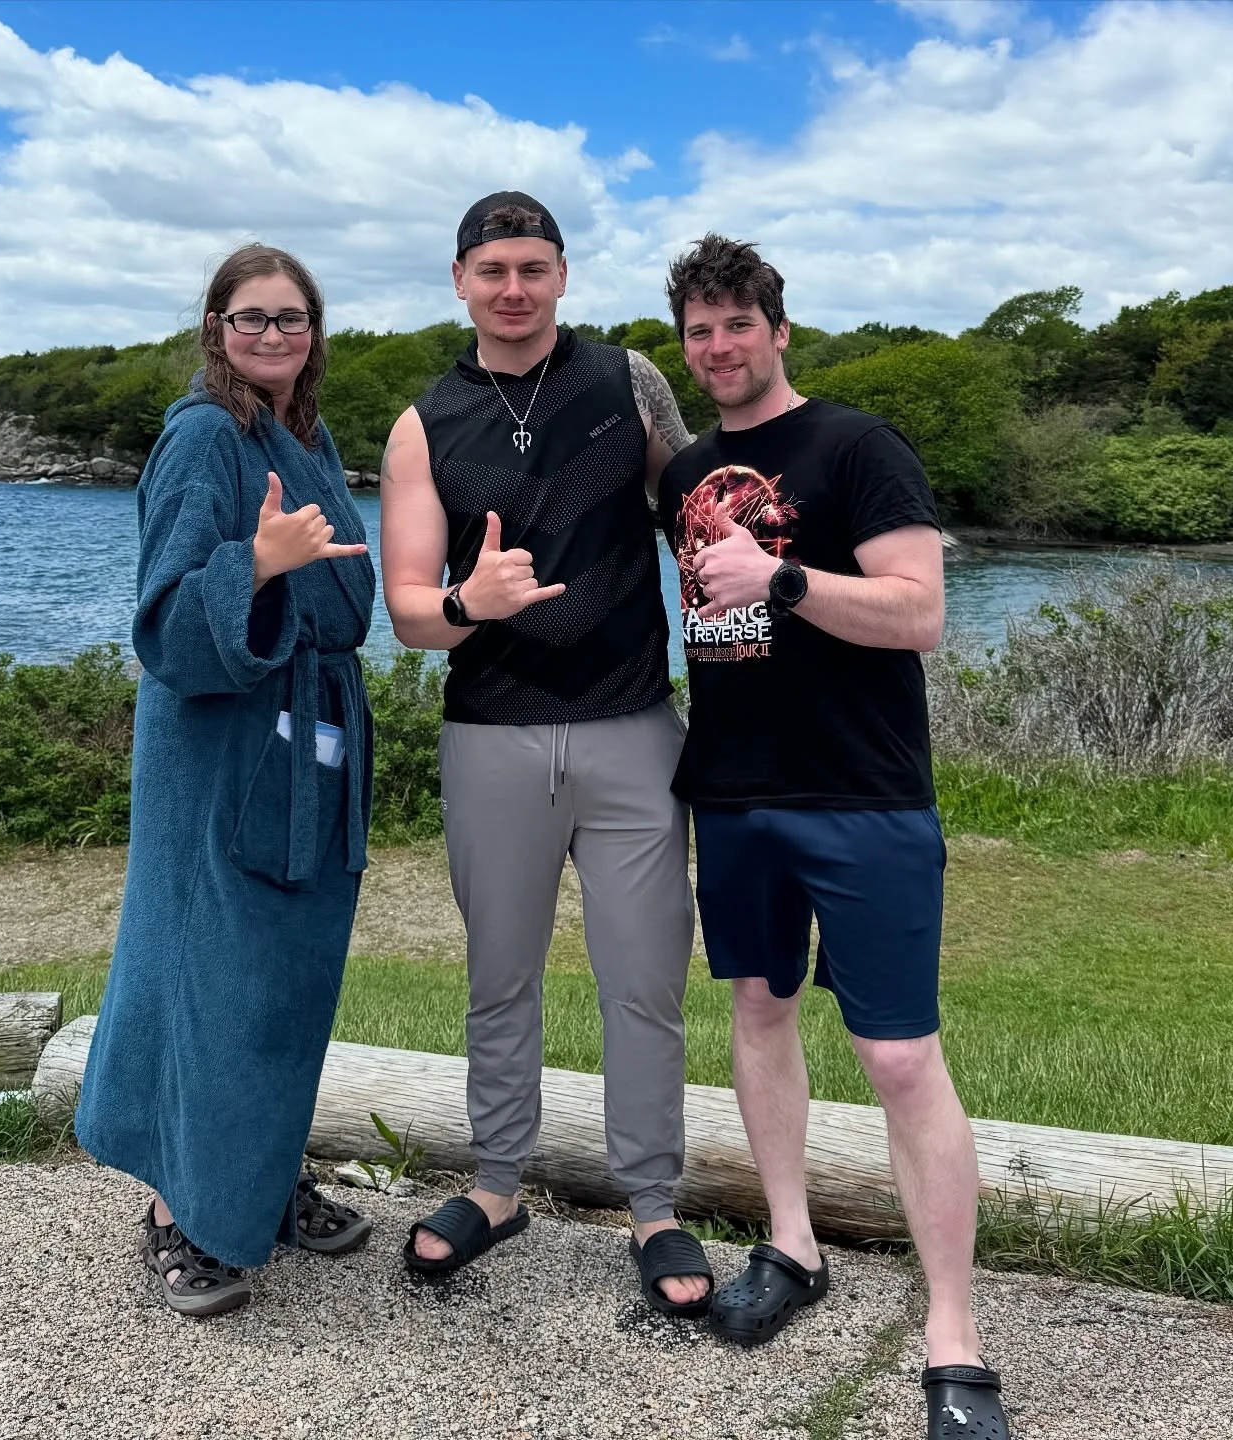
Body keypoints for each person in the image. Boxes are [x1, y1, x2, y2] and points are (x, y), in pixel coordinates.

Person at [655, 235, 1010, 1439]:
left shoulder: (858, 447)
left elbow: (919, 616)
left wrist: (787, 579)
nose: (719, 347)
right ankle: (794, 1248)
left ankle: (952, 1333)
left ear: (777, 326)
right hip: (736, 792)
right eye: (698, 331)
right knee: (758, 1008)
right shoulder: (686, 475)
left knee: (902, 1057)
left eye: (736, 324)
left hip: (863, 795)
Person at [379, 192, 711, 1314]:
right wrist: (471, 600)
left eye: (532, 267)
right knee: (499, 978)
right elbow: (412, 613)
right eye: (491, 270)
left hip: (633, 729)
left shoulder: (630, 382)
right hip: (492, 737)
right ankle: (498, 1182)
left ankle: (654, 1205)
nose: (512, 288)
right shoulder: (424, 423)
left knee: (645, 981)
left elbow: (702, 522)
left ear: (563, 274)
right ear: (460, 281)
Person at [75, 243, 378, 1317]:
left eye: (291, 320)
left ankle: (254, 1177)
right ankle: (175, 1210)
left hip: (303, 736)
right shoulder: (204, 435)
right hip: (219, 749)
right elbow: (162, 617)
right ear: (215, 328)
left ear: (314, 332)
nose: (273, 338)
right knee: (208, 972)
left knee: (283, 977)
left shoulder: (301, 431)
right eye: (251, 320)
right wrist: (255, 568)